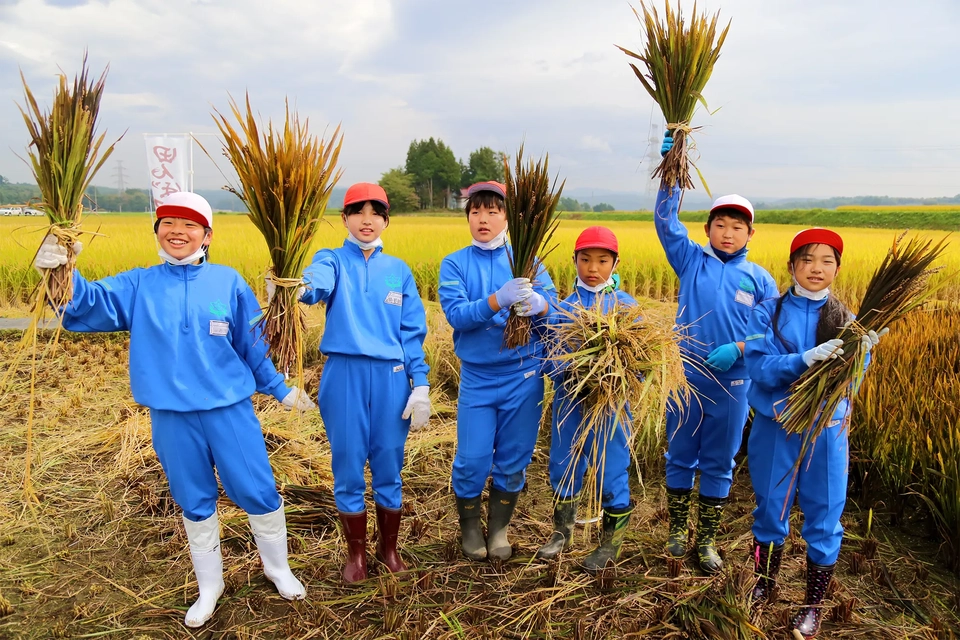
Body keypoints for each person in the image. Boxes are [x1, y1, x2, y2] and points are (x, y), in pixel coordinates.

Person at [35, 192, 311, 628]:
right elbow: (86, 303)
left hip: (229, 409)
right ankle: (210, 586)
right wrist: (59, 268)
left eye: (189, 224)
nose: (177, 231)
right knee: (193, 498)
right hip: (171, 415)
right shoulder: (140, 284)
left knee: (257, 488)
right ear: (157, 230)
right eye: (168, 223)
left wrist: (279, 388)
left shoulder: (228, 281)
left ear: (207, 234)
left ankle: (278, 569)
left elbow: (252, 343)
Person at [744, 228, 886, 638]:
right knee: (770, 509)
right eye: (807, 260)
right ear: (791, 266)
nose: (816, 268)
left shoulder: (849, 322)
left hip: (826, 431)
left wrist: (838, 399)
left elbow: (853, 379)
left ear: (838, 269)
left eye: (827, 261)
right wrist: (801, 360)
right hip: (776, 425)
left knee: (825, 516)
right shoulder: (766, 313)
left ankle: (813, 605)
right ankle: (763, 585)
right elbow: (758, 366)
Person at [656, 133, 779, 573]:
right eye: (720, 225)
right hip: (685, 377)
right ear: (707, 229)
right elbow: (666, 222)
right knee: (680, 454)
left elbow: (774, 336)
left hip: (734, 382)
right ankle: (675, 530)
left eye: (738, 226)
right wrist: (672, 167)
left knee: (719, 461)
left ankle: (705, 539)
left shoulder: (761, 280)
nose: (728, 233)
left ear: (750, 232)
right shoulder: (691, 260)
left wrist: (740, 348)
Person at [296, 182, 431, 583]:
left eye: (375, 212)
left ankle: (388, 550)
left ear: (386, 220)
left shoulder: (398, 271)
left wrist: (419, 383)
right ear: (345, 218)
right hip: (344, 375)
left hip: (390, 378)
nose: (366, 219)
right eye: (358, 211)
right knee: (348, 464)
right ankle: (356, 555)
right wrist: (298, 288)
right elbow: (316, 282)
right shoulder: (333, 259)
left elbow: (411, 332)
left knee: (389, 463)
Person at [438, 180, 558, 562]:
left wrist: (540, 306)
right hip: (478, 378)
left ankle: (500, 528)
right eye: (476, 211)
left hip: (523, 378)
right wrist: (497, 300)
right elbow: (457, 315)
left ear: (509, 217)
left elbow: (556, 320)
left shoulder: (530, 262)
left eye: (493, 211)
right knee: (472, 459)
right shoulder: (455, 263)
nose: (483, 219)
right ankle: (470, 526)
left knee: (514, 457)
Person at [535, 226, 636, 573]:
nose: (594, 267)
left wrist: (613, 376)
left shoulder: (626, 308)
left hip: (611, 407)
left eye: (603, 260)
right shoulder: (562, 309)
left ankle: (609, 545)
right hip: (570, 401)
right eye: (586, 259)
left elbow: (640, 362)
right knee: (564, 465)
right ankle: (561, 533)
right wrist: (570, 372)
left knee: (611, 470)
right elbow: (549, 358)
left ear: (615, 262)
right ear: (574, 261)